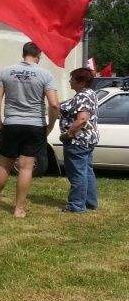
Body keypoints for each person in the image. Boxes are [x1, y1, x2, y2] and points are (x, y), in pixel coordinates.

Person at [0, 41, 59, 218]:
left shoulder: (6, 71)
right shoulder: (46, 75)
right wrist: (49, 126)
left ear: (23, 53)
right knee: (26, 168)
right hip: (34, 125)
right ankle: (18, 209)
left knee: (4, 164)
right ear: (39, 55)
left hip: (11, 123)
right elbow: (54, 104)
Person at [58, 67, 99, 213]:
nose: (70, 81)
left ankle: (76, 206)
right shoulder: (90, 94)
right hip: (87, 139)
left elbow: (82, 119)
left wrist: (68, 134)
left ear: (81, 82)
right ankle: (90, 202)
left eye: (72, 79)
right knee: (86, 171)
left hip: (77, 140)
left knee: (77, 173)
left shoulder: (82, 96)